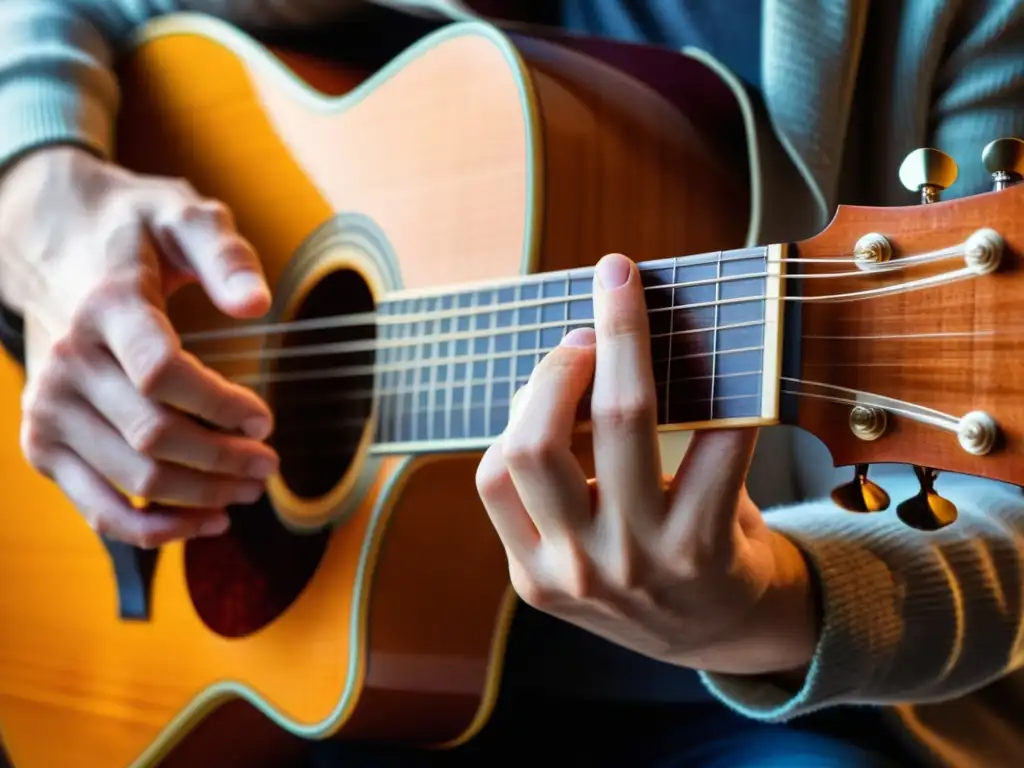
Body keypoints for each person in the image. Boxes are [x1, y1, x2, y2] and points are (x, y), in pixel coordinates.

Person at [1, 1, 1023, 766]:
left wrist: (761, 606)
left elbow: (1003, 540)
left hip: (742, 717)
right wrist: (37, 182)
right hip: (309, 700)